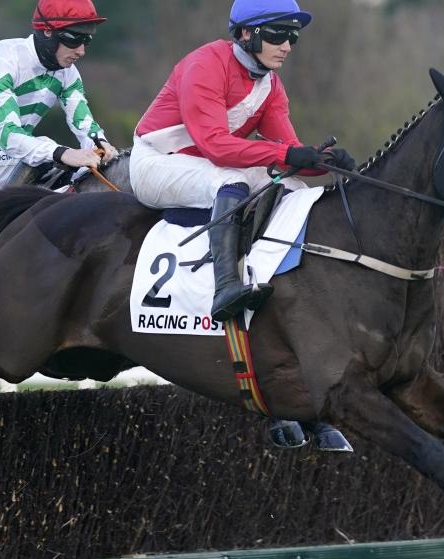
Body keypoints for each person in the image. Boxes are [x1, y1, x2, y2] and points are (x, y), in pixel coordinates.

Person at [129, 0, 356, 322]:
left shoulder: (271, 86)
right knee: (230, 180)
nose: (287, 46)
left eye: (292, 37)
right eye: (278, 34)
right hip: (155, 164)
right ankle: (225, 288)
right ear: (247, 33)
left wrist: (324, 160)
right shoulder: (205, 64)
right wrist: (287, 154)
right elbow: (216, 147)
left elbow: (288, 152)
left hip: (209, 167)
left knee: (294, 186)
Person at [0, 0, 120, 193]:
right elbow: (8, 135)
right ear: (47, 32)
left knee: (84, 169)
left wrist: (100, 144)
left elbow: (84, 123)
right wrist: (61, 152)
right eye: (74, 39)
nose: (81, 51)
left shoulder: (67, 72)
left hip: (15, 153)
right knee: (50, 152)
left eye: (86, 40)